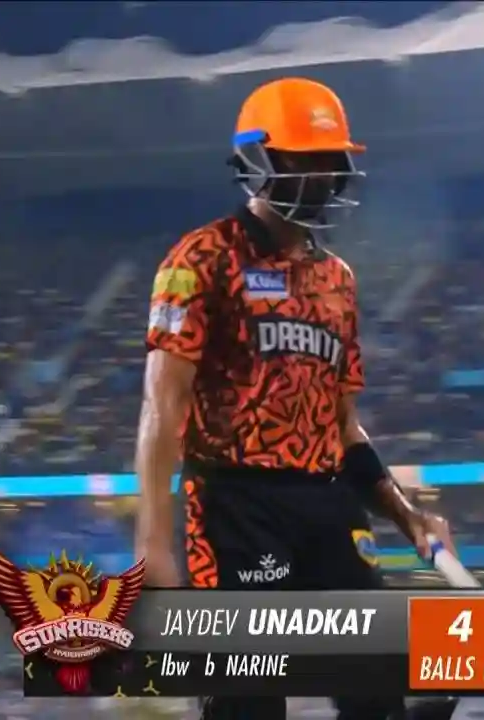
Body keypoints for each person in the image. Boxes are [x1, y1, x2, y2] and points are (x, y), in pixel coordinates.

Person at [133, 76, 459, 720]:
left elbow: (344, 428)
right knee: (249, 703)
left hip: (327, 502)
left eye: (331, 163)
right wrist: (154, 540)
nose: (323, 179)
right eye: (306, 162)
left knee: (379, 695)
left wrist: (407, 516)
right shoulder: (200, 260)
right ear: (259, 161)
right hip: (234, 506)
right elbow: (162, 407)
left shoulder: (337, 280)